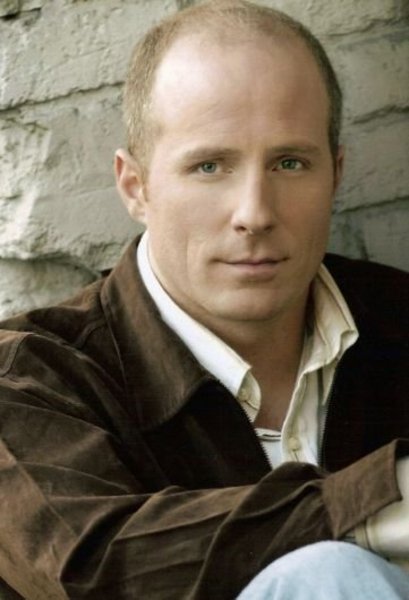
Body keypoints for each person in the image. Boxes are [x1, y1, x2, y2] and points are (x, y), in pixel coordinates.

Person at [0, 1, 408, 598]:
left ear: (336, 174)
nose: (255, 213)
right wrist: (378, 506)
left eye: (290, 163)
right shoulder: (30, 377)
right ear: (136, 186)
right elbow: (93, 567)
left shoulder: (398, 316)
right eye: (210, 166)